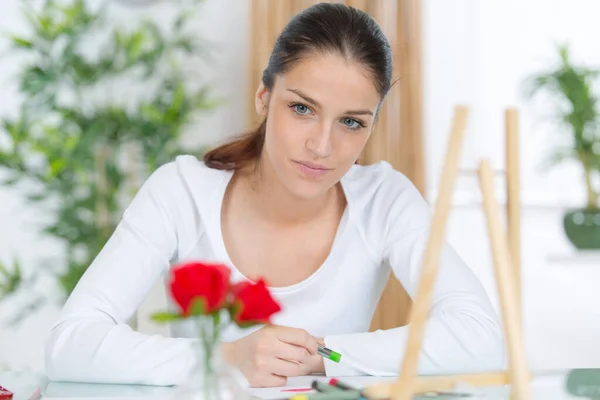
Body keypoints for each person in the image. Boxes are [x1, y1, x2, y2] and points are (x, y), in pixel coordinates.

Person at [45, 2, 504, 388]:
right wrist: (223, 359)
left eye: (351, 122)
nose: (322, 146)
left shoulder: (385, 199)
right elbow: (70, 342)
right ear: (264, 97)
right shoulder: (180, 192)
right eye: (302, 108)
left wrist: (323, 354)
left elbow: (482, 337)